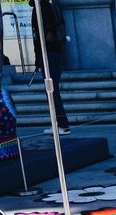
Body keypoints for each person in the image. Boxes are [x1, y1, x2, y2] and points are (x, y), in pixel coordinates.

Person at [30, 0, 70, 135]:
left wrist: (38, 57)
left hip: (49, 53)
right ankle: (60, 123)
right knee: (52, 90)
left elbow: (40, 36)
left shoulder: (42, 7)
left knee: (52, 90)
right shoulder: (45, 6)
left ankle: (62, 124)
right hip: (51, 52)